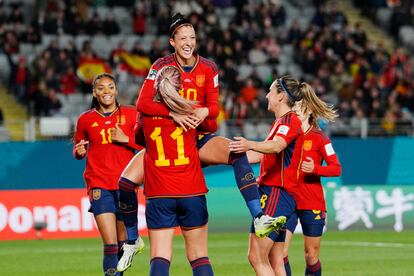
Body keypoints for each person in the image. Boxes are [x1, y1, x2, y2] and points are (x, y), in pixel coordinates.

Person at [117, 13, 282, 272]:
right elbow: (142, 104)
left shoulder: (208, 68)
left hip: (196, 138)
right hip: (171, 141)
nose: (188, 42)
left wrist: (205, 112)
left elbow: (213, 116)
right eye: (183, 38)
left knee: (236, 151)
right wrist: (174, 114)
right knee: (126, 183)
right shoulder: (161, 66)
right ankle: (131, 239)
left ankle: (259, 216)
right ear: (172, 41)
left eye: (192, 37)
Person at [229, 75, 309, 276]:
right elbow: (260, 154)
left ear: (281, 96)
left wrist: (250, 143)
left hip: (276, 193)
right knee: (276, 259)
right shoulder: (282, 122)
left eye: (271, 91)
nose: (266, 95)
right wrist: (229, 156)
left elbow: (276, 146)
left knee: (257, 257)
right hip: (282, 195)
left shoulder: (289, 121)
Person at [142, 65, 214, 276]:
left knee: (160, 255)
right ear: (181, 87)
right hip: (191, 190)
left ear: (156, 88)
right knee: (199, 255)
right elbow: (212, 125)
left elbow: (139, 138)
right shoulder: (191, 113)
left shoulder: (145, 116)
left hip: (159, 192)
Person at [73, 73, 144, 276]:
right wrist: (78, 153)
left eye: (110, 87)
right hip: (99, 184)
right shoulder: (85, 119)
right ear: (95, 92)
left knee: (123, 244)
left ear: (116, 90)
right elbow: (79, 148)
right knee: (110, 244)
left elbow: (145, 145)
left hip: (125, 185)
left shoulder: (131, 115)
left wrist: (126, 139)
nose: (107, 92)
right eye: (102, 88)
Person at [283, 85, 341, 276]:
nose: (294, 113)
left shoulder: (320, 138)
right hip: (288, 200)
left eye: (297, 109)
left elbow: (336, 168)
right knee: (280, 253)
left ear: (308, 111)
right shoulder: (287, 136)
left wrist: (315, 169)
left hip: (311, 201)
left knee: (311, 255)